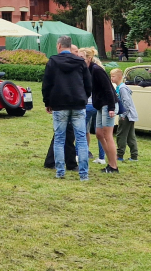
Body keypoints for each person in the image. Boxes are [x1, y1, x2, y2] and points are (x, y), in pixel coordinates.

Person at [42, 35, 92, 181]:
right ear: (70, 47)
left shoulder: (53, 62)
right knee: (81, 139)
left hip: (59, 104)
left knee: (59, 138)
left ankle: (60, 171)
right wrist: (83, 97)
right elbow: (88, 84)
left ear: (59, 46)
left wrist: (48, 102)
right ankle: (83, 174)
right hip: (78, 104)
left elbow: (47, 85)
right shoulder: (80, 62)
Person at [90, 54, 120, 174]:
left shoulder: (97, 71)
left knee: (107, 135)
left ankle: (113, 165)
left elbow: (109, 90)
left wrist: (111, 108)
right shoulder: (90, 72)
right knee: (99, 134)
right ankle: (111, 162)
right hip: (100, 106)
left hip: (108, 105)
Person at [79, 47, 105, 165]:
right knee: (99, 132)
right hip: (98, 105)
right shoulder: (99, 69)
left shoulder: (87, 71)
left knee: (81, 131)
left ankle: (81, 154)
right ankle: (101, 156)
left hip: (88, 104)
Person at [112, 67, 139, 162]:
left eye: (113, 76)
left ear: (119, 77)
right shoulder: (121, 87)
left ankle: (119, 155)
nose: (111, 78)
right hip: (130, 115)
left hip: (127, 116)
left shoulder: (122, 88)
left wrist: (123, 115)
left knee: (121, 135)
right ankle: (134, 156)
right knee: (130, 136)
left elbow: (126, 102)